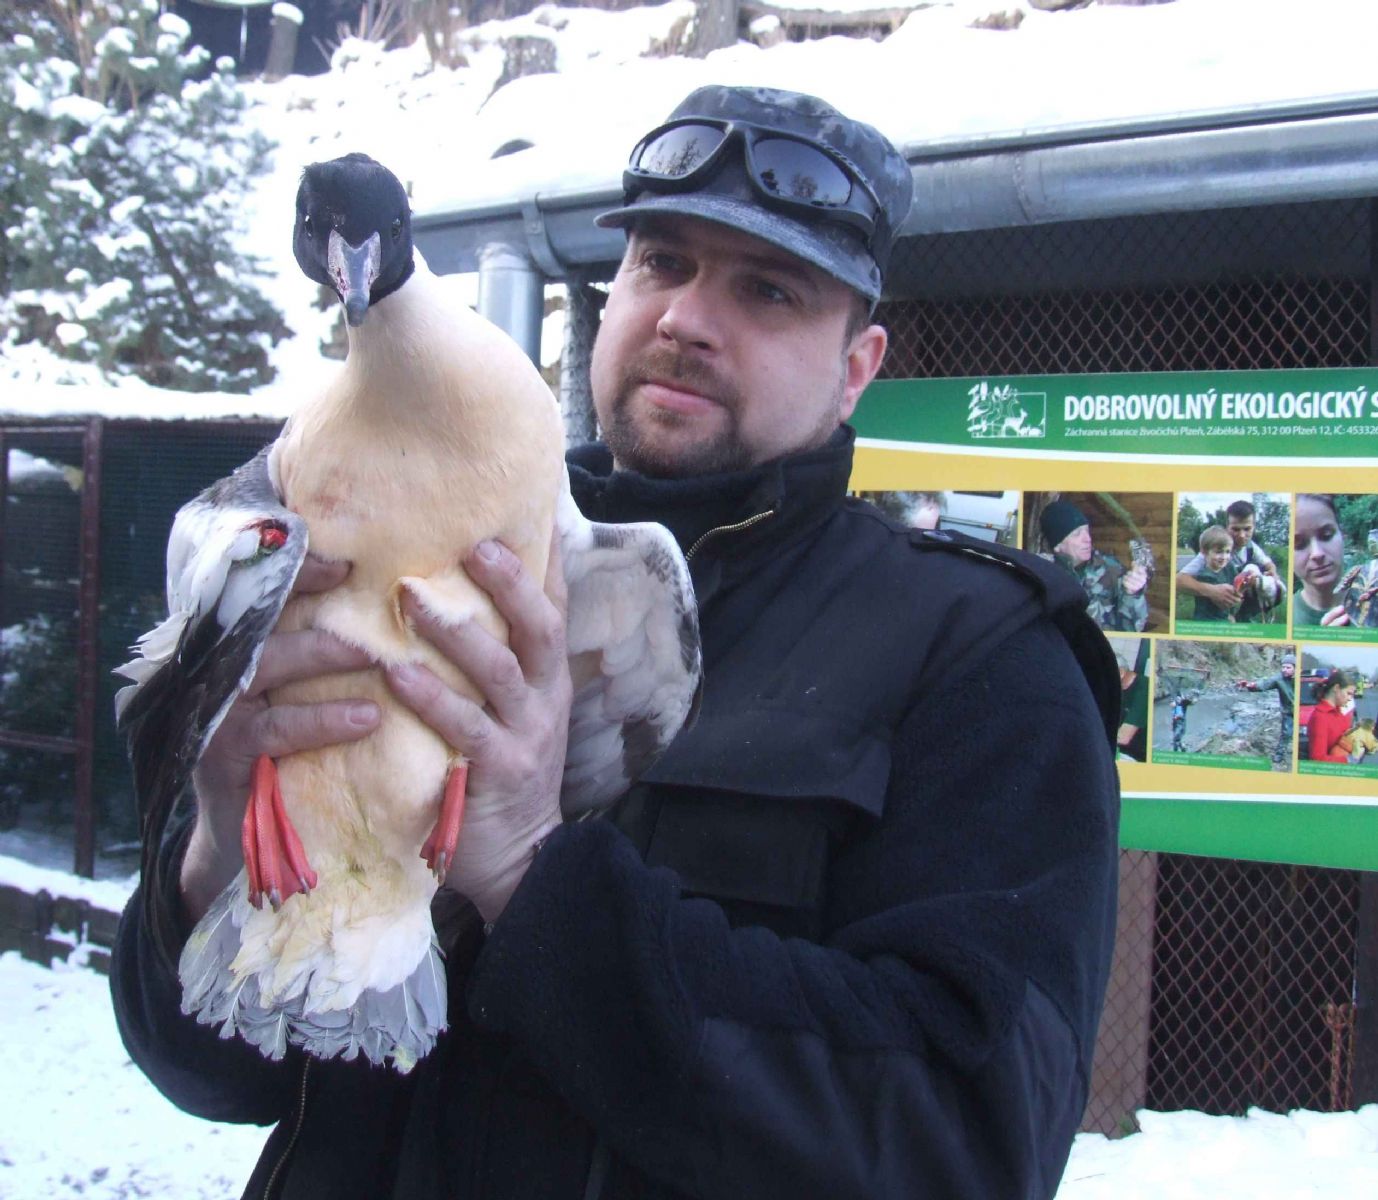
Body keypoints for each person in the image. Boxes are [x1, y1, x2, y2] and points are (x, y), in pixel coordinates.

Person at [111, 86, 1121, 1200]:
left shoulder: (981, 657)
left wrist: (537, 884)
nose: (687, 317)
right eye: (662, 262)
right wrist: (216, 853)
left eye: (767, 290)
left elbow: (966, 1148)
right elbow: (214, 1075)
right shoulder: (379, 539)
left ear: (857, 365)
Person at [1040, 498, 1149, 632]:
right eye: (1077, 534)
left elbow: (1132, 629)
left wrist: (1133, 594)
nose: (1087, 539)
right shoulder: (1043, 574)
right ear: (1058, 545)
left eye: (1086, 530)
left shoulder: (1111, 568)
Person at [1176, 500, 1280, 621]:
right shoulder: (1214, 548)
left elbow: (1268, 563)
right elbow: (1179, 581)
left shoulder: (1251, 547)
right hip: (1215, 603)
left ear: (1254, 527)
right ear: (1227, 527)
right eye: (1235, 529)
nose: (1242, 535)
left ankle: (1243, 617)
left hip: (1239, 595)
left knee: (1275, 586)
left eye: (1247, 529)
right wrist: (1212, 591)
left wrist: (1273, 573)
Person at [1293, 494, 1351, 627]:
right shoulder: (1285, 620)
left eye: (1326, 536)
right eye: (1299, 544)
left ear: (1343, 535)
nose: (1317, 553)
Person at [1236, 653, 1296, 766]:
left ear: (1295, 668)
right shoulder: (1279, 679)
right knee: (1286, 733)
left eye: (1288, 667)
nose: (1284, 670)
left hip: (1302, 711)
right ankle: (1279, 754)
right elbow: (1263, 684)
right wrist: (1249, 685)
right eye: (1283, 667)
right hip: (1288, 711)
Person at [1182, 525, 1237, 622]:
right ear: (1204, 552)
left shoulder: (1227, 569)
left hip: (1222, 618)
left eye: (1227, 552)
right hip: (1207, 621)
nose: (1224, 557)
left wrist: (1230, 614)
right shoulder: (1206, 576)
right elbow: (1222, 604)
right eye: (1218, 552)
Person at [1307, 670, 1358, 762]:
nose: (1350, 698)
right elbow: (1317, 759)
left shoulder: (1339, 713)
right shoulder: (1320, 717)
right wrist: (1348, 760)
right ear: (1336, 688)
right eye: (1348, 693)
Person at [1169, 687, 1199, 753]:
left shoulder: (1183, 701)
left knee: (1176, 738)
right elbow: (1174, 714)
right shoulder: (1177, 703)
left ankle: (1178, 750)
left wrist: (1196, 696)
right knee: (1176, 738)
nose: (1172, 704)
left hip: (1180, 722)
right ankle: (1182, 748)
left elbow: (1192, 702)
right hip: (1176, 722)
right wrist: (1171, 724)